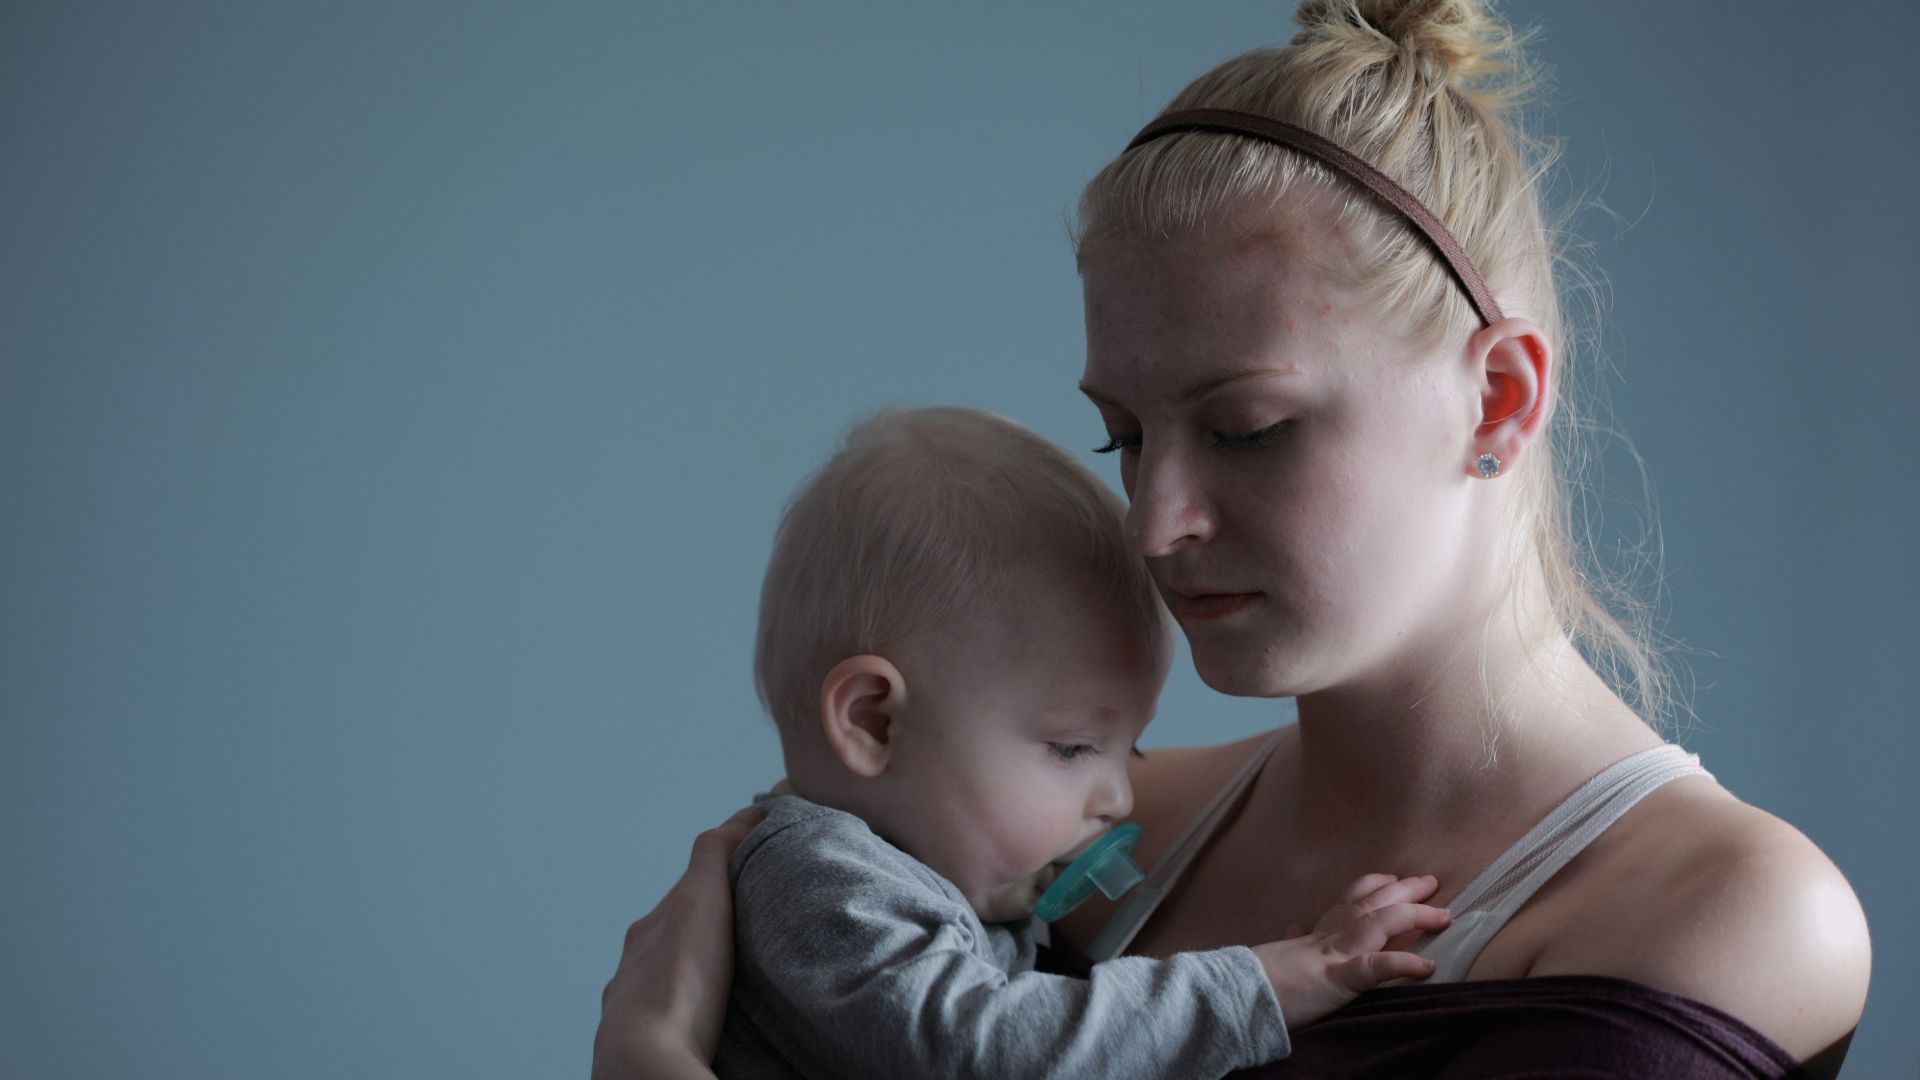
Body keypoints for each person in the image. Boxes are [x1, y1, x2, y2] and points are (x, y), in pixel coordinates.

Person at [596, 1, 1870, 1076]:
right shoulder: (1080, 823)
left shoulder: (1735, 917)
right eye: (1124, 436)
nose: (1155, 525)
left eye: (1249, 427)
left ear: (1498, 399)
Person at [709, 406, 1452, 1078]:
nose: (1119, 798)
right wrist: (1280, 977)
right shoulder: (820, 887)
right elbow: (990, 1051)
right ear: (875, 721)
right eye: (1071, 748)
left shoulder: (935, 882)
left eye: (1126, 749)